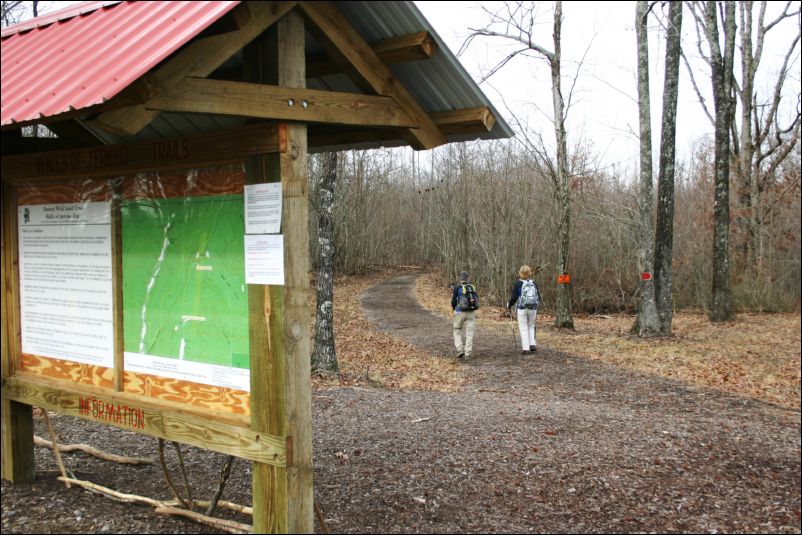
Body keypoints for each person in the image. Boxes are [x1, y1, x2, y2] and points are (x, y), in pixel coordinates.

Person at [507, 265, 541, 354]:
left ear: (520, 273)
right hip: (533, 308)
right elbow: (538, 297)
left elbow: (513, 298)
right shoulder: (534, 283)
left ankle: (526, 348)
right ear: (529, 273)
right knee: (531, 326)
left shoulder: (518, 284)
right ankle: (532, 345)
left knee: (523, 327)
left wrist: (509, 305)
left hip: (522, 308)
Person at [450, 271, 478, 360]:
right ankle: (468, 353)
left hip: (459, 311)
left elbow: (453, 301)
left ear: (460, 278)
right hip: (471, 312)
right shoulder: (472, 287)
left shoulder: (457, 287)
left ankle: (460, 350)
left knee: (457, 330)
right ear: (467, 278)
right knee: (470, 333)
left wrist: (454, 309)